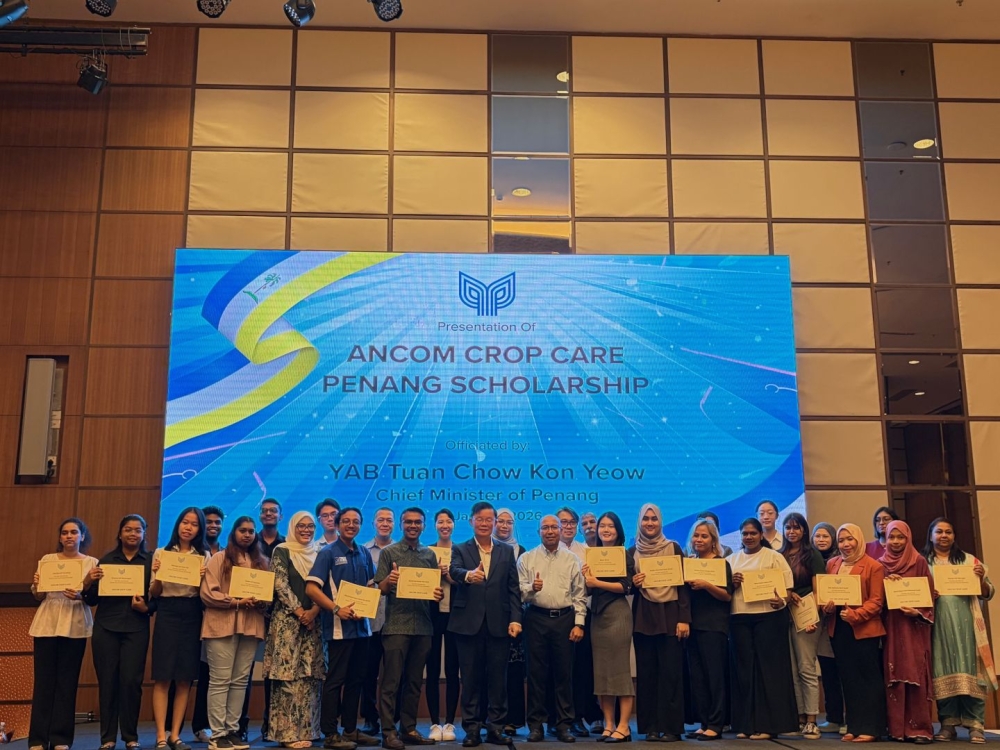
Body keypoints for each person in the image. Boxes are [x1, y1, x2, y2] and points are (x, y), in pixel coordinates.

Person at [448, 502, 522, 747]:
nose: (484, 523)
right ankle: (471, 729)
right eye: (479, 519)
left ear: (495, 522)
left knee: (497, 680)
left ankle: (496, 728)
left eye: (489, 519)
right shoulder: (460, 548)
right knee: (470, 679)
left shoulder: (505, 551)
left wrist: (515, 618)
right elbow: (454, 570)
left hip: (499, 624)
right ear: (471, 521)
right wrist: (469, 576)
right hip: (468, 624)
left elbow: (513, 588)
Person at [305, 507, 379, 750]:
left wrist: (386, 584)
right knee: (335, 681)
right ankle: (330, 734)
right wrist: (336, 609)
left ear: (360, 525)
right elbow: (312, 589)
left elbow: (371, 587)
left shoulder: (364, 553)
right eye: (346, 521)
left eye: (356, 522)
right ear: (337, 524)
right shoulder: (327, 553)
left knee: (357, 680)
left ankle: (350, 729)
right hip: (338, 630)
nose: (351, 525)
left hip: (362, 629)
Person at [374, 507, 444, 750]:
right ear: (401, 525)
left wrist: (437, 593)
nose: (413, 526)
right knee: (391, 682)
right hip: (395, 626)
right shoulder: (389, 552)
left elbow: (434, 589)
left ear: (424, 526)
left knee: (414, 682)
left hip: (423, 627)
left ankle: (409, 729)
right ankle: (388, 732)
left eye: (417, 522)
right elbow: (380, 589)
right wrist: (388, 581)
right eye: (408, 522)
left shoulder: (429, 555)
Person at [28, 518, 100, 750]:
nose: (69, 536)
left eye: (74, 532)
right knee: (43, 682)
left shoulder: (92, 562)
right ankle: (38, 739)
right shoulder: (47, 560)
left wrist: (82, 592)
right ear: (60, 538)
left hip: (75, 622)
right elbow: (39, 596)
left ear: (82, 536)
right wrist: (37, 585)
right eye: (65, 533)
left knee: (67, 683)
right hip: (47, 621)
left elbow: (93, 599)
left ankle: (60, 738)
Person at [923, 517, 996, 744]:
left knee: (972, 671)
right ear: (931, 536)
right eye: (939, 532)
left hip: (968, 626)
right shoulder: (923, 561)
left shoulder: (968, 560)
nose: (944, 536)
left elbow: (988, 592)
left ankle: (976, 725)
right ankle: (948, 724)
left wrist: (979, 578)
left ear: (954, 536)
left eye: (948, 532)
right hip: (939, 626)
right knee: (942, 669)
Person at [85, 515, 155, 750]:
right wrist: (88, 582)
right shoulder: (105, 561)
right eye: (128, 529)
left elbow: (157, 599)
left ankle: (130, 736)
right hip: (106, 628)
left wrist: (146, 608)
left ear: (144, 534)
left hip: (136, 628)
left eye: (138, 530)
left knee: (131, 683)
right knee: (107, 683)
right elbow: (92, 599)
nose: (133, 534)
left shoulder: (151, 562)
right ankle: (107, 738)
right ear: (120, 533)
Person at [201, 517, 269, 750]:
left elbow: (267, 597)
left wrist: (261, 602)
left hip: (251, 626)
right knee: (220, 681)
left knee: (240, 681)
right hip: (221, 625)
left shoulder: (262, 562)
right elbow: (208, 594)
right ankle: (217, 734)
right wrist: (236, 602)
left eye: (251, 531)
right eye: (243, 530)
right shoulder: (219, 558)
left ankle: (232, 731)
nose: (247, 535)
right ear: (234, 533)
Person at [517, 515, 586, 744]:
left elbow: (579, 595)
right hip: (535, 618)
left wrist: (579, 624)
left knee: (563, 675)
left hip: (565, 620)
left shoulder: (572, 559)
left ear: (561, 530)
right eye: (545, 527)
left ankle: (563, 725)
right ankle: (536, 726)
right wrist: (531, 588)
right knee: (536, 675)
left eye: (553, 527)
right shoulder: (527, 558)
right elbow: (518, 593)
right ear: (538, 532)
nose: (549, 531)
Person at [728, 517, 797, 741]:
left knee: (769, 673)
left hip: (769, 618)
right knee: (744, 673)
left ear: (760, 535)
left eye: (753, 533)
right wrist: (733, 583)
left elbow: (787, 590)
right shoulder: (731, 560)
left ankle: (769, 725)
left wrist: (782, 602)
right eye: (745, 534)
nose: (749, 537)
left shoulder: (775, 557)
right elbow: (724, 594)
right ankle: (746, 724)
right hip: (739, 618)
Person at [629, 503, 689, 743]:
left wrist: (684, 619)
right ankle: (651, 727)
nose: (650, 523)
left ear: (660, 521)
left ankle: (672, 727)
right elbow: (627, 586)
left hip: (672, 616)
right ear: (640, 522)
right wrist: (634, 581)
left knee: (671, 674)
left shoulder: (673, 547)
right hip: (644, 617)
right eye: (646, 519)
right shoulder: (632, 551)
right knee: (647, 675)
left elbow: (683, 586)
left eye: (654, 519)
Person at [264, 512, 325, 749]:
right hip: (287, 623)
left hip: (314, 624)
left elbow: (327, 585)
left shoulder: (320, 552)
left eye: (311, 526)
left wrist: (314, 612)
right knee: (287, 677)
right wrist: (301, 612)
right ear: (292, 527)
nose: (307, 530)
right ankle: (287, 734)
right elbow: (280, 584)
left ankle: (309, 730)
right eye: (301, 526)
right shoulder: (282, 550)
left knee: (310, 677)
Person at [150, 507, 209, 750]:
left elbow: (203, 595)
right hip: (167, 611)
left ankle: (175, 735)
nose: (188, 527)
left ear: (199, 529)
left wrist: (202, 578)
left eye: (194, 524)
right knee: (163, 676)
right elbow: (154, 592)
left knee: (185, 678)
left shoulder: (203, 555)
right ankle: (161, 736)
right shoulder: (161, 552)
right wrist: (158, 574)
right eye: (185, 522)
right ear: (178, 524)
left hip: (192, 612)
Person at [821, 524, 886, 743]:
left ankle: (872, 728)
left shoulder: (873, 566)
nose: (846, 545)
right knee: (848, 680)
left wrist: (856, 615)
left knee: (868, 679)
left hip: (864, 630)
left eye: (850, 539)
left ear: (859, 540)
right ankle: (854, 726)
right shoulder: (832, 564)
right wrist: (826, 607)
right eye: (841, 540)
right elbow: (826, 595)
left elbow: (877, 601)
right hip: (839, 629)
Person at [878, 521, 933, 744]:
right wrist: (885, 584)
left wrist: (916, 611)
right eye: (892, 537)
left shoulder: (918, 561)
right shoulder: (880, 564)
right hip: (890, 628)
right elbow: (874, 597)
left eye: (901, 537)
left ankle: (919, 729)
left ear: (908, 538)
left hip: (914, 629)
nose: (896, 542)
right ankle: (897, 729)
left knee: (915, 673)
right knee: (894, 674)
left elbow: (929, 596)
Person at [581, 512, 634, 743]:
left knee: (620, 671)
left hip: (618, 614)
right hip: (597, 616)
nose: (605, 529)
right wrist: (587, 581)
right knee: (601, 673)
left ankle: (624, 726)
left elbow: (626, 586)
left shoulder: (625, 554)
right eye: (602, 526)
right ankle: (609, 724)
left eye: (610, 526)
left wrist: (596, 582)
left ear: (618, 530)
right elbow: (590, 589)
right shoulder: (590, 555)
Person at [684, 518, 732, 742]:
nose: (699, 539)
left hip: (714, 627)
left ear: (713, 540)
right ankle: (704, 723)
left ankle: (716, 723)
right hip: (692, 627)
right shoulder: (688, 563)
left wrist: (707, 585)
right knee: (699, 678)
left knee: (714, 676)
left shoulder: (722, 563)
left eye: (704, 536)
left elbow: (727, 596)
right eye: (696, 535)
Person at [239, 499, 284, 741]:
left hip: (277, 617)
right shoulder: (247, 543)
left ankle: (270, 724)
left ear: (280, 515)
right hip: (249, 614)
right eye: (264, 511)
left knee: (272, 674)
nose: (268, 514)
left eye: (273, 511)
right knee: (244, 672)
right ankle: (241, 725)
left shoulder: (287, 545)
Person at [778, 512, 825, 740]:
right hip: (784, 615)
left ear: (804, 530)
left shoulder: (812, 554)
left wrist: (812, 617)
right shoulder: (780, 555)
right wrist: (787, 595)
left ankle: (812, 719)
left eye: (796, 527)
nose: (792, 532)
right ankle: (798, 717)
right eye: (788, 528)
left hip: (807, 616)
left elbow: (819, 589)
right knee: (791, 669)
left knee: (806, 667)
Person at [555, 506, 601, 737]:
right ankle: (560, 718)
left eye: (572, 522)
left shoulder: (586, 551)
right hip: (557, 616)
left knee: (582, 669)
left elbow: (591, 586)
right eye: (563, 522)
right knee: (560, 670)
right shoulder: (547, 551)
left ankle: (579, 717)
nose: (568, 526)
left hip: (582, 615)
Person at [360, 507, 395, 737]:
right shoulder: (362, 551)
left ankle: (393, 719)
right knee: (368, 673)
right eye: (380, 519)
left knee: (394, 674)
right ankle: (370, 719)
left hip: (395, 621)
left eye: (389, 520)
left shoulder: (402, 551)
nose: (385, 523)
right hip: (369, 621)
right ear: (373, 523)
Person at [426, 510, 459, 742]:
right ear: (435, 525)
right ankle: (434, 723)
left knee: (453, 670)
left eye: (448, 521)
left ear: (454, 525)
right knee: (433, 669)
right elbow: (417, 584)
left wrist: (449, 576)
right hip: (432, 616)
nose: (444, 525)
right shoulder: (426, 552)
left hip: (457, 617)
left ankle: (449, 722)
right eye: (440, 521)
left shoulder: (462, 551)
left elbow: (467, 583)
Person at [494, 509, 526, 737]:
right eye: (501, 521)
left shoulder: (522, 552)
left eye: (509, 522)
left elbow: (519, 588)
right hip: (489, 617)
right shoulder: (481, 549)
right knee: (491, 670)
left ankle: (512, 720)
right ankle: (492, 719)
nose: (505, 525)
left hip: (514, 618)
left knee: (513, 671)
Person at [810, 522, 844, 734]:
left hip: (840, 622)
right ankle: (833, 717)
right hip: (817, 624)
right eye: (817, 536)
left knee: (844, 672)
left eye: (825, 536)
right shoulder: (809, 560)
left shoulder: (839, 562)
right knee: (828, 672)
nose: (821, 540)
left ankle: (850, 719)